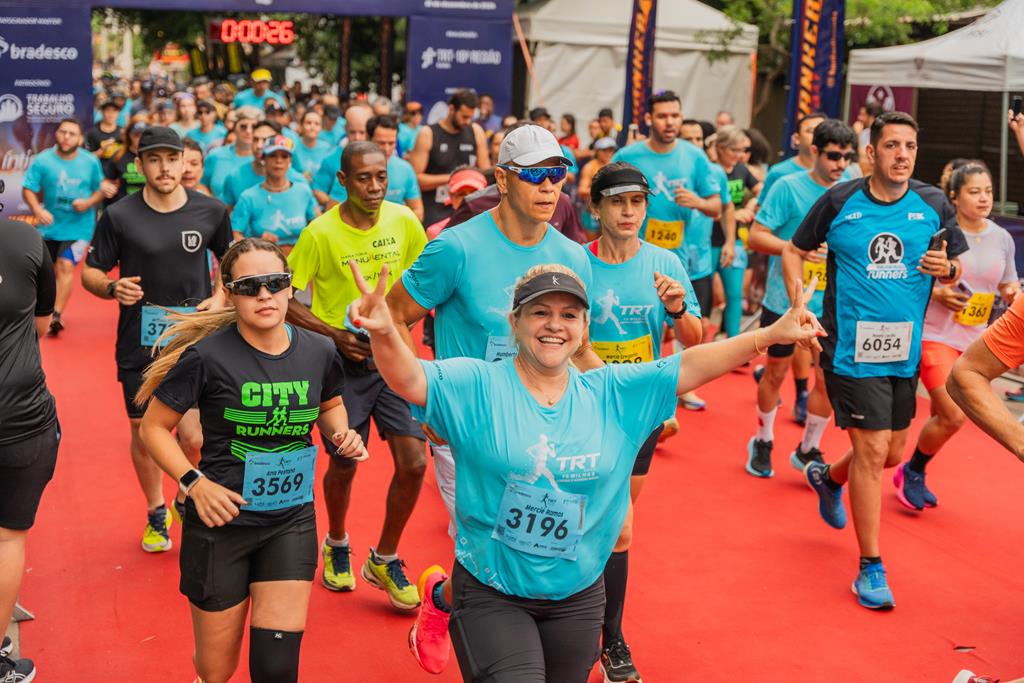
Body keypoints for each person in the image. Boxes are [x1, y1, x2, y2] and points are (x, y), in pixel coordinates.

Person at [354, 252, 822, 682]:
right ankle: (447, 601)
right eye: (540, 312)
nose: (554, 326)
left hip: (576, 594)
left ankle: (440, 597)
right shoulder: (477, 384)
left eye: (569, 315)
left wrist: (768, 335)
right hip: (492, 588)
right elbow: (409, 377)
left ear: (584, 327)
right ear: (514, 322)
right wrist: (383, 332)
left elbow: (691, 364)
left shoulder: (612, 392)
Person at [386, 123, 596, 674]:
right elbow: (392, 319)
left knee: (524, 544)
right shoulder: (454, 248)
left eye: (558, 173)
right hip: (469, 427)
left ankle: (443, 599)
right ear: (502, 180)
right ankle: (499, 647)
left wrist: (616, 405)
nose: (549, 186)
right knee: (486, 543)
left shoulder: (573, 257)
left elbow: (578, 348)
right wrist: (427, 402)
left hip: (545, 426)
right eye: (535, 175)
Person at [136, 237, 366, 683]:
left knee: (276, 669)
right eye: (249, 286)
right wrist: (193, 483)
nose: (264, 295)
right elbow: (153, 428)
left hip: (290, 520)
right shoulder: (206, 356)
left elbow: (330, 404)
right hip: (221, 525)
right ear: (229, 292)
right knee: (215, 670)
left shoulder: (319, 350)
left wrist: (341, 434)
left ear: (291, 287)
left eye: (275, 283)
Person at [786, 112, 968, 609]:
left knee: (890, 454)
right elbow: (794, 249)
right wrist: (798, 307)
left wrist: (948, 268)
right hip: (848, 352)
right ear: (872, 153)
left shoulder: (932, 204)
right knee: (871, 454)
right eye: (892, 145)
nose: (902, 155)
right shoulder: (839, 201)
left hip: (904, 353)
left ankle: (828, 477)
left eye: (910, 146)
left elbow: (956, 266)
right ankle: (870, 566)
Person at [285, 141, 428, 610]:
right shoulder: (319, 233)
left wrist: (401, 329)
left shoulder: (403, 221)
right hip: (341, 364)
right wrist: (334, 335)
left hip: (393, 360)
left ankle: (384, 558)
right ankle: (337, 542)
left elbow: (426, 282)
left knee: (415, 463)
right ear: (343, 181)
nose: (375, 186)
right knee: (345, 463)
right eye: (363, 178)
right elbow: (284, 297)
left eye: (381, 176)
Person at [82, 126, 233, 550]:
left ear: (184, 161)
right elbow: (92, 271)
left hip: (194, 341)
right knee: (144, 433)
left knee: (194, 437)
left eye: (171, 159)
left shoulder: (211, 211)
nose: (164, 168)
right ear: (139, 164)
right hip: (140, 342)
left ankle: (184, 494)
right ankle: (155, 511)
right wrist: (111, 287)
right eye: (154, 159)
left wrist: (220, 295)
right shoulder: (119, 216)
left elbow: (230, 261)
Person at [584, 163, 702, 683]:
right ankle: (608, 637)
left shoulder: (664, 263)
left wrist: (676, 308)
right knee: (617, 527)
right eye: (617, 202)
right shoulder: (577, 263)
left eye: (637, 202)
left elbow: (696, 339)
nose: (629, 212)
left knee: (615, 526)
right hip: (586, 407)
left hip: (643, 414)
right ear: (596, 208)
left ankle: (599, 629)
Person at [897, 164, 1018, 509]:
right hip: (935, 335)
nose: (983, 198)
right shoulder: (939, 233)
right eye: (974, 191)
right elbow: (911, 277)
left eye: (988, 191)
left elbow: (1007, 282)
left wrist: (1011, 293)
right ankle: (913, 470)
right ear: (954, 196)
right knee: (953, 415)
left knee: (944, 416)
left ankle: (912, 468)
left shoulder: (1003, 238)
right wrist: (938, 293)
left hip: (977, 341)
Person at [747, 119, 856, 477]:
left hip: (833, 304)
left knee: (825, 381)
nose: (841, 164)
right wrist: (796, 248)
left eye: (848, 157)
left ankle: (809, 448)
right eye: (834, 156)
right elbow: (756, 237)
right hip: (785, 299)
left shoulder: (854, 190)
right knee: (775, 373)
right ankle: (763, 440)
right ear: (815, 151)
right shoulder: (787, 186)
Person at [612, 91, 725, 410]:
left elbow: (717, 206)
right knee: (641, 325)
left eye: (675, 115)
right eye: (662, 116)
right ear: (649, 119)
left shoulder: (695, 157)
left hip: (685, 259)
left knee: (686, 324)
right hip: (637, 257)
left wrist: (698, 201)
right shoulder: (628, 155)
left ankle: (680, 388)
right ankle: (639, 386)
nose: (670, 122)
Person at [0, 217, 59, 683]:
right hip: (19, 416)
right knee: (7, 537)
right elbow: (40, 325)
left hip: (20, 419)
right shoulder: (25, 239)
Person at [21, 117, 104, 337]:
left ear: (80, 139)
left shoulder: (90, 162)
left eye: (72, 134)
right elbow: (28, 188)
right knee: (44, 272)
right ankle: (38, 310)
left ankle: (55, 315)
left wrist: (88, 202)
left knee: (65, 266)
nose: (66, 137)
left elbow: (100, 190)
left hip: (79, 228)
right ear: (57, 134)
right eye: (63, 132)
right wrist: (38, 210)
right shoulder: (43, 160)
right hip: (49, 228)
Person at [320, 115, 424, 222]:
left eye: (392, 143)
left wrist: (391, 225)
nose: (387, 149)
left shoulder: (405, 169)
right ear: (368, 139)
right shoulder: (353, 171)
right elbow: (331, 214)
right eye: (381, 143)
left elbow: (418, 211)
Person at [410, 89, 490, 226]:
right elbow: (415, 180)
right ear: (452, 109)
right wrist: (455, 179)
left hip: (468, 207)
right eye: (464, 116)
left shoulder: (476, 131)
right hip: (435, 208)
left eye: (470, 117)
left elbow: (485, 173)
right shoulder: (427, 134)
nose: (467, 121)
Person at [712, 125, 760, 341]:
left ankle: (732, 341)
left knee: (735, 295)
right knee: (706, 296)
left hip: (734, 241)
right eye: (734, 150)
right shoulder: (710, 170)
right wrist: (731, 213)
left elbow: (762, 189)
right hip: (707, 240)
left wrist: (750, 205)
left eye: (742, 150)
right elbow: (704, 206)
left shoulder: (742, 170)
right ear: (720, 148)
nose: (739, 155)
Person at [233, 135, 319, 253]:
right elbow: (234, 234)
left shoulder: (303, 191)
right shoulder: (248, 197)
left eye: (284, 156)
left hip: (301, 258)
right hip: (264, 260)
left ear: (290, 161)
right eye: (273, 155)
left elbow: (318, 225)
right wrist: (255, 243)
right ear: (263, 159)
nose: (279, 161)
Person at [222, 121, 308, 208]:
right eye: (255, 139)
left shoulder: (298, 182)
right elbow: (227, 211)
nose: (259, 146)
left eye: (266, 140)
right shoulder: (235, 176)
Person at [311, 104, 372, 207]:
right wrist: (339, 208)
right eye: (352, 132)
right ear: (345, 129)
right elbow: (318, 190)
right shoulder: (331, 159)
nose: (357, 137)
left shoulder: (375, 158)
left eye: (362, 132)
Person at [203, 106, 260, 200]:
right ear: (234, 127)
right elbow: (202, 183)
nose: (248, 131)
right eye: (243, 126)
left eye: (254, 127)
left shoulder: (265, 158)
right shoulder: (215, 155)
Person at [424, 167, 488, 238]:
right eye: (461, 194)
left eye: (475, 192)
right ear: (451, 197)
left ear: (485, 194)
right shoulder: (436, 232)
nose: (468, 198)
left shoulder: (495, 225)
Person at [576, 137, 617, 239]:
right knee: (591, 241)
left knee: (610, 241)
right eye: (604, 150)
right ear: (597, 151)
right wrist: (601, 190)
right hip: (592, 211)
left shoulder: (616, 166)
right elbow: (581, 190)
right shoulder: (590, 167)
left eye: (611, 150)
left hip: (611, 211)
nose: (608, 153)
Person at [292, 110, 333, 180]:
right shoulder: (293, 147)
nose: (312, 127)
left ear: (321, 128)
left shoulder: (327, 148)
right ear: (301, 126)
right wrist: (300, 177)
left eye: (317, 124)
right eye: (308, 123)